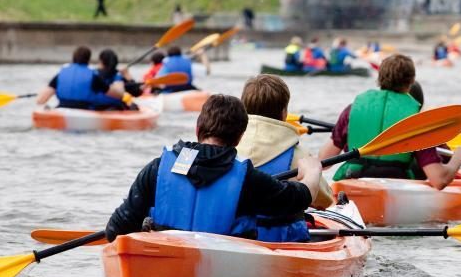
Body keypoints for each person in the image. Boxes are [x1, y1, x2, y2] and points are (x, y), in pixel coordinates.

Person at [104, 95, 322, 243]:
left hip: (164, 266)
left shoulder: (158, 168)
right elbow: (301, 198)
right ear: (239, 137)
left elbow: (115, 231)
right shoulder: (248, 180)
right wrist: (312, 171)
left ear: (198, 128)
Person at [319, 54, 461, 189]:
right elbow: (439, 180)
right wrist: (458, 158)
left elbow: (324, 162)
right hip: (397, 182)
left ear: (379, 79)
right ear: (412, 81)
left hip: (352, 179)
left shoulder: (352, 110)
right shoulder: (416, 119)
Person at [236, 75, 334, 237]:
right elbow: (324, 200)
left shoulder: (229, 144)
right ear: (284, 113)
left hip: (235, 235)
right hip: (280, 239)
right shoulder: (299, 155)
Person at [36, 46, 124, 110]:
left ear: (73, 58)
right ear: (88, 60)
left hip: (62, 108)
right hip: (85, 110)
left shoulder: (60, 75)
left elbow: (40, 100)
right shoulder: (93, 76)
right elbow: (118, 95)